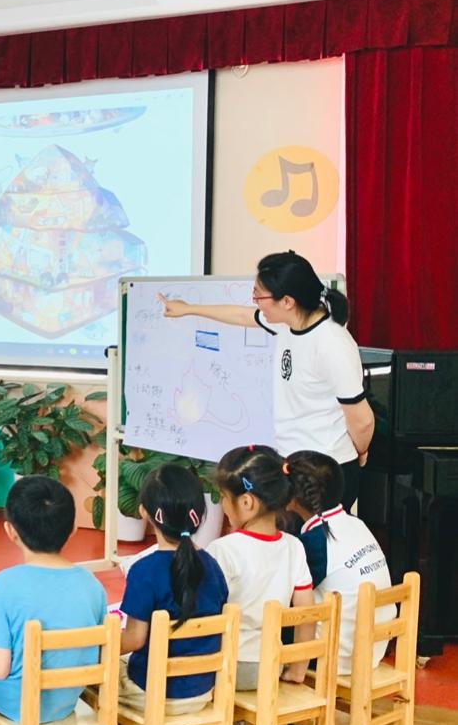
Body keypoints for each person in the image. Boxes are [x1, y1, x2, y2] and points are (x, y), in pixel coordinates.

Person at [159, 251, 374, 510]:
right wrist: (188, 309)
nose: (256, 302)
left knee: (316, 537)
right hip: (293, 463)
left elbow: (362, 420)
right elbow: (242, 316)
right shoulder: (288, 324)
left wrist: (360, 452)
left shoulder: (332, 344)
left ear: (287, 301)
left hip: (326, 471)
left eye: (259, 295)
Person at [0, 477, 108, 725]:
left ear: (10, 531)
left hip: (15, 704)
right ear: (73, 529)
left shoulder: (4, 585)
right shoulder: (92, 585)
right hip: (63, 703)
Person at [116, 464, 230, 725]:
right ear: (198, 514)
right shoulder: (213, 566)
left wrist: (103, 643)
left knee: (100, 671)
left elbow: (134, 639)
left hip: (155, 693)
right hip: (202, 690)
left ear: (144, 511)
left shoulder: (145, 571)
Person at [206, 446, 315, 693]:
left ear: (247, 502)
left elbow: (203, 615)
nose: (222, 505)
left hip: (226, 667)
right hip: (272, 665)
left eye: (223, 497)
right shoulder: (294, 546)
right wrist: (298, 668)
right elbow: (306, 613)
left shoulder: (222, 550)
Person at [286, 450, 395, 676]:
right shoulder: (356, 524)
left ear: (293, 498)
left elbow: (286, 594)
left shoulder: (317, 541)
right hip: (372, 648)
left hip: (337, 654)